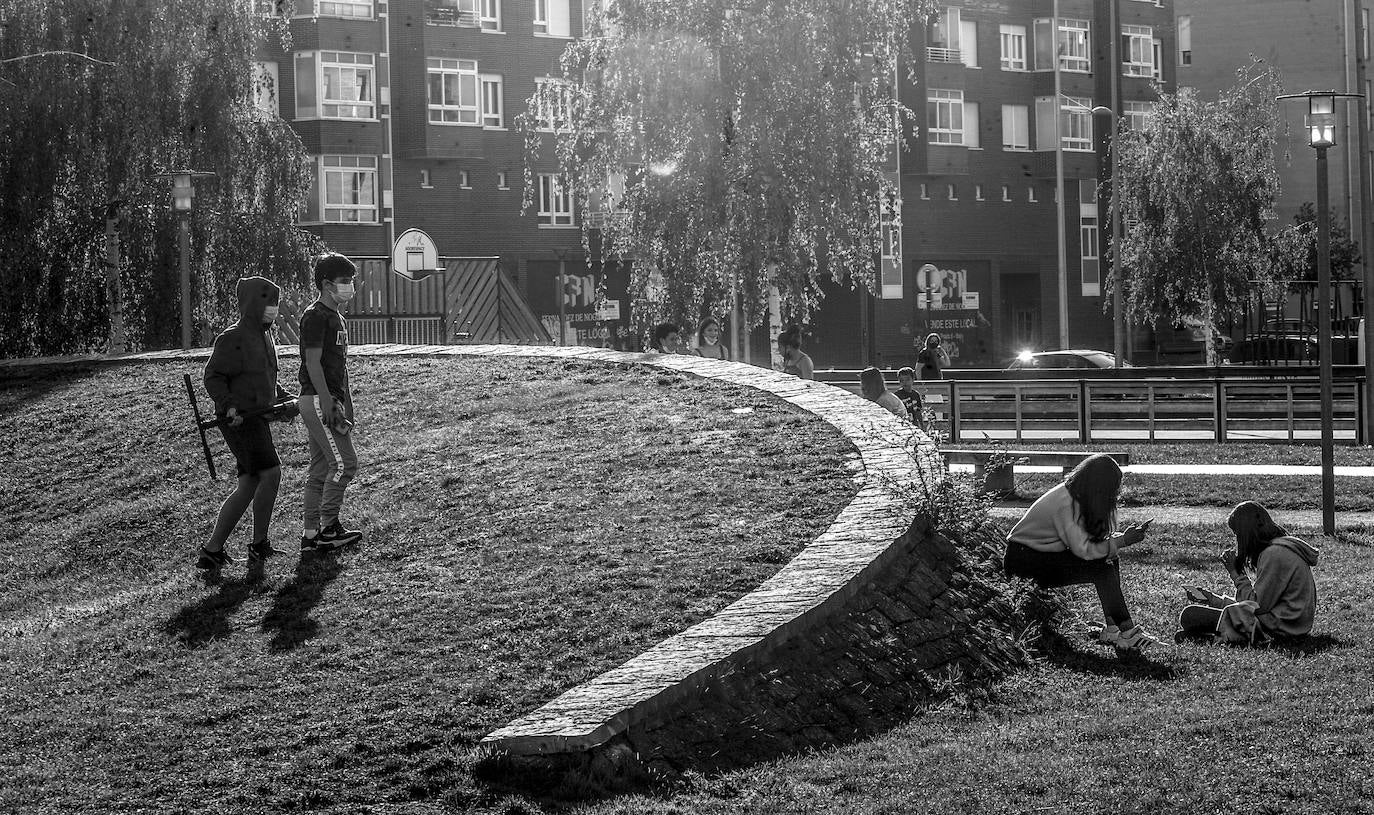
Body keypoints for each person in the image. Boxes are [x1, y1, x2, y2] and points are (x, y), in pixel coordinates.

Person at [1004, 454, 1157, 652]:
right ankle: (1128, 633)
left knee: (1109, 558)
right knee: (1101, 570)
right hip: (1024, 561)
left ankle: (1113, 630)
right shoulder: (1065, 503)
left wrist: (1119, 538)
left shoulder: (1075, 495)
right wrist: (1123, 540)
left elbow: (1090, 543)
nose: (1116, 493)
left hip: (1040, 555)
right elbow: (1084, 551)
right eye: (1113, 487)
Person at [198, 276, 296, 571]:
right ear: (254, 304)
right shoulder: (233, 337)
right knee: (271, 473)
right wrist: (228, 406)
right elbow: (213, 377)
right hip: (240, 421)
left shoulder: (265, 335)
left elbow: (263, 376)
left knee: (249, 483)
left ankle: (212, 551)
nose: (273, 309)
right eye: (269, 303)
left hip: (256, 417)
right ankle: (258, 545)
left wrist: (283, 397)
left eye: (276, 304)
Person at [1176, 501, 1319, 645]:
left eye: (1237, 535)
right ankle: (1214, 637)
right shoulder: (1277, 550)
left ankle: (1221, 637)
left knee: (1190, 615)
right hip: (1286, 624)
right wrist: (1212, 599)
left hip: (1279, 628)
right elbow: (1256, 604)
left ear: (1246, 533)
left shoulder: (1274, 554)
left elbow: (1256, 605)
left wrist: (1236, 574)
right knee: (1191, 620)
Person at [298, 253, 365, 554]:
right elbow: (312, 364)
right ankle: (329, 527)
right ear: (326, 284)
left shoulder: (337, 317)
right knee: (345, 463)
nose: (350, 286)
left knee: (320, 468)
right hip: (317, 398)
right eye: (344, 281)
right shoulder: (315, 316)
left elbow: (342, 367)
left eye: (351, 281)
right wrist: (326, 401)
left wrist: (346, 405)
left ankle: (311, 535)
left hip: (331, 400)